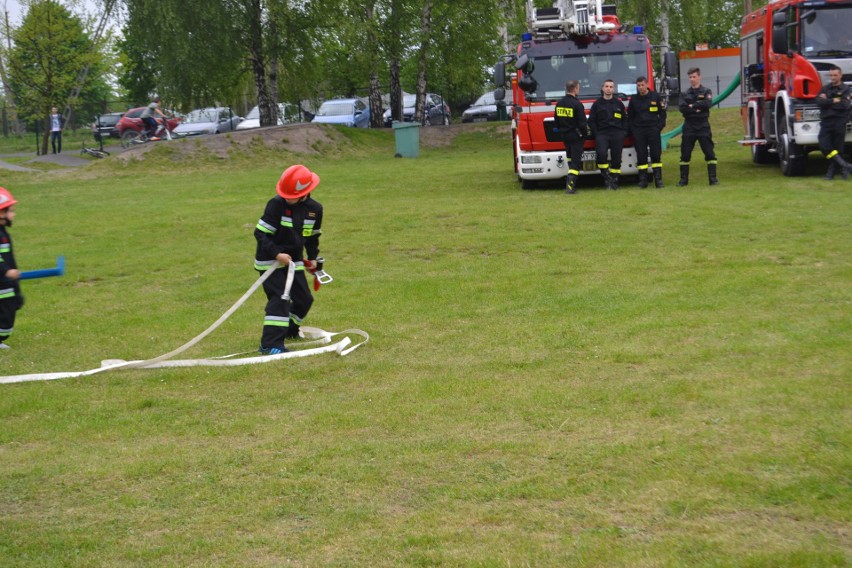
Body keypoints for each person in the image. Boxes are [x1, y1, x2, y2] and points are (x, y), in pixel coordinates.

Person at [254, 164, 324, 354]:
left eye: (290, 197)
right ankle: (270, 344)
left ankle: (289, 330)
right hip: (270, 261)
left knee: (304, 299)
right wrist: (277, 254)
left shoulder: (315, 210)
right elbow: (260, 234)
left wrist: (313, 259)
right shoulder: (276, 204)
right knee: (280, 299)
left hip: (294, 261)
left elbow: (311, 237)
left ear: (305, 193)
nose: (286, 199)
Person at [678, 67, 718, 186]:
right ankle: (683, 180)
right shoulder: (684, 93)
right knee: (685, 154)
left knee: (709, 153)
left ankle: (713, 179)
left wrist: (692, 106)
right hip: (689, 126)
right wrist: (697, 108)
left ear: (699, 77)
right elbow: (682, 108)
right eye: (690, 77)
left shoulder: (706, 91)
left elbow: (707, 104)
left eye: (694, 77)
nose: (692, 79)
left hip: (703, 125)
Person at [627, 76, 667, 188]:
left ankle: (658, 180)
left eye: (642, 85)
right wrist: (633, 130)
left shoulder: (655, 96)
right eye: (638, 85)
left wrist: (659, 126)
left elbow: (662, 113)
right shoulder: (634, 99)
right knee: (641, 155)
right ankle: (643, 180)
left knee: (655, 154)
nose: (640, 87)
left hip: (653, 129)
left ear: (647, 84)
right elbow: (630, 117)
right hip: (639, 131)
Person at [589, 79, 628, 189]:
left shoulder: (619, 104)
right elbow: (591, 121)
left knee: (616, 157)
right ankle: (606, 178)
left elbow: (625, 119)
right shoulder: (597, 104)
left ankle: (615, 180)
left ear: (613, 89)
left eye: (611, 87)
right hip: (602, 134)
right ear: (602, 88)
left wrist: (624, 132)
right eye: (606, 86)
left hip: (617, 133)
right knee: (601, 155)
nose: (608, 88)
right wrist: (596, 134)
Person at [815, 64, 852, 180]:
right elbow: (819, 102)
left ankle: (830, 174)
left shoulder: (846, 89)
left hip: (839, 121)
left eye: (835, 75)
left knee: (838, 148)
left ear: (840, 75)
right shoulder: (825, 88)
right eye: (831, 75)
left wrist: (828, 101)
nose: (833, 77)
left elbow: (844, 105)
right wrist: (834, 100)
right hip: (826, 121)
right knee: (824, 146)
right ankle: (845, 165)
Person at [553, 80, 589, 194]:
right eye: (578, 87)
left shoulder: (559, 104)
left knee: (569, 157)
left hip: (565, 136)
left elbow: (556, 122)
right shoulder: (577, 104)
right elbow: (582, 123)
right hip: (576, 136)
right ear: (574, 89)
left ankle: (571, 183)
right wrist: (584, 134)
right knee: (576, 162)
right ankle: (570, 186)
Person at [0, 188, 22, 350]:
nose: (13, 215)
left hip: (7, 283)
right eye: (11, 211)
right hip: (2, 282)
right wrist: (5, 271)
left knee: (11, 306)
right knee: (5, 316)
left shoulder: (3, 233)